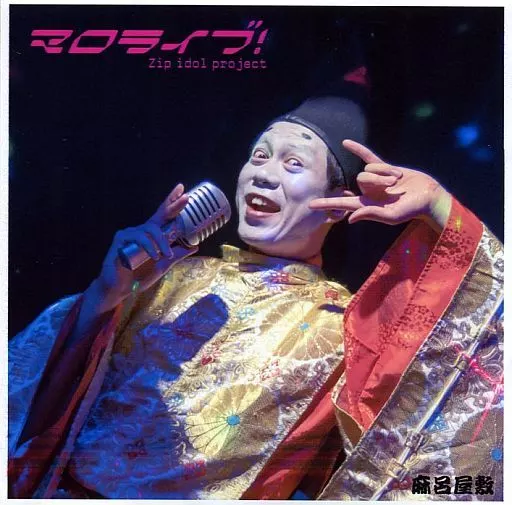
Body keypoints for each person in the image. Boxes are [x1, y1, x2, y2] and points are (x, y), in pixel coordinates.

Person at [8, 97, 503, 500]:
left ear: (336, 204)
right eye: (259, 156)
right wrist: (104, 297)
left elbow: (475, 361)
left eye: (293, 163)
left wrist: (439, 205)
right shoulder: (166, 276)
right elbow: (30, 397)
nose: (264, 174)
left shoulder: (343, 324)